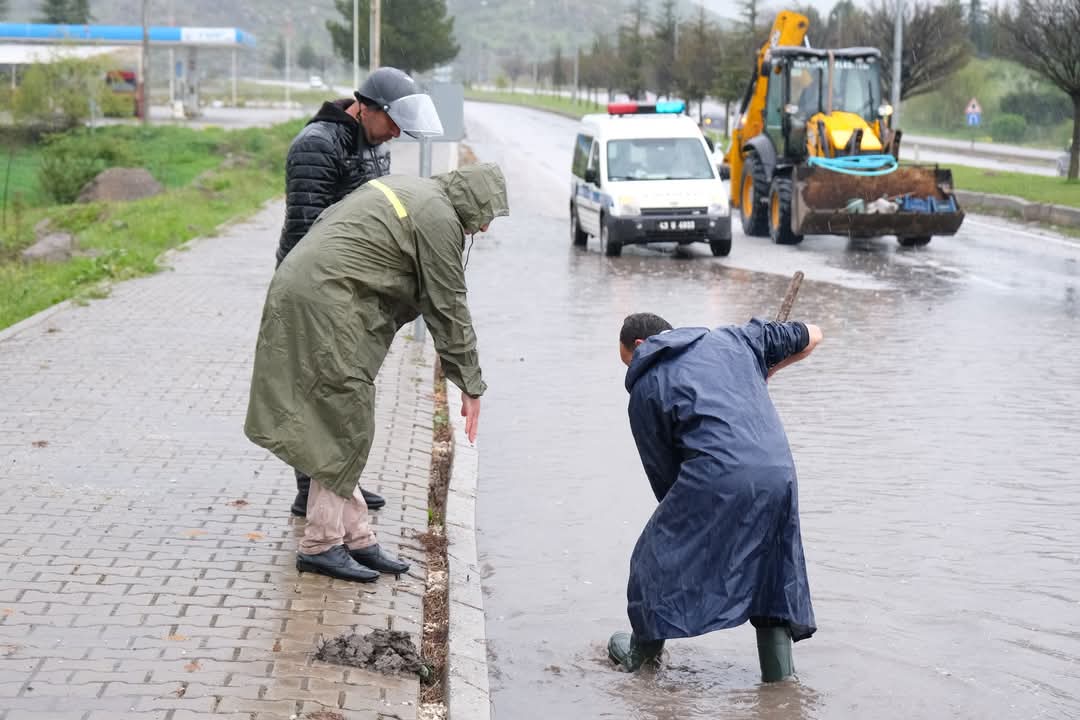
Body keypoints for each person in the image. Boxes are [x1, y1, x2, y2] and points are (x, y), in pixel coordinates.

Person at [245, 162, 509, 583]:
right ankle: (320, 545)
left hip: (310, 290)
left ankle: (355, 535)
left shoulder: (416, 191)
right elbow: (449, 307)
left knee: (337, 419)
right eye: (486, 217)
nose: (484, 229)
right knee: (344, 421)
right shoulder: (439, 218)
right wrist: (471, 385)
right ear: (471, 203)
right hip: (327, 303)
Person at [608, 312, 823, 679]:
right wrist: (764, 367)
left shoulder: (646, 386)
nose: (631, 372)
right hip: (779, 473)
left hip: (719, 474)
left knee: (653, 560)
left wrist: (687, 538)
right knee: (773, 566)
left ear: (642, 347)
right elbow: (813, 335)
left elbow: (665, 476)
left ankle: (640, 658)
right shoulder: (736, 340)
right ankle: (779, 682)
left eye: (629, 362)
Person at [276, 66, 445, 518]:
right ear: (365, 108)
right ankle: (310, 492)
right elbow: (304, 231)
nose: (395, 134)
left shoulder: (372, 147)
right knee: (313, 391)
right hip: (317, 289)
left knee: (345, 392)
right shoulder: (315, 146)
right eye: (391, 123)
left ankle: (338, 480)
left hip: (352, 286)